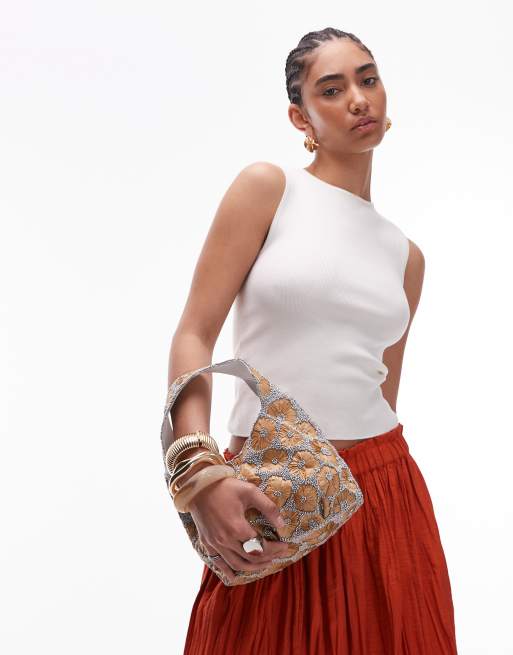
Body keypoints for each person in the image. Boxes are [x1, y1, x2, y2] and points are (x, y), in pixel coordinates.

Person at [165, 27, 458, 655]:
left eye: (368, 79)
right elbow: (194, 332)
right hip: (271, 494)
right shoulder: (269, 189)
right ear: (301, 117)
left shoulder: (406, 257)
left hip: (384, 495)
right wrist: (201, 476)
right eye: (332, 89)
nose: (358, 98)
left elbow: (383, 389)